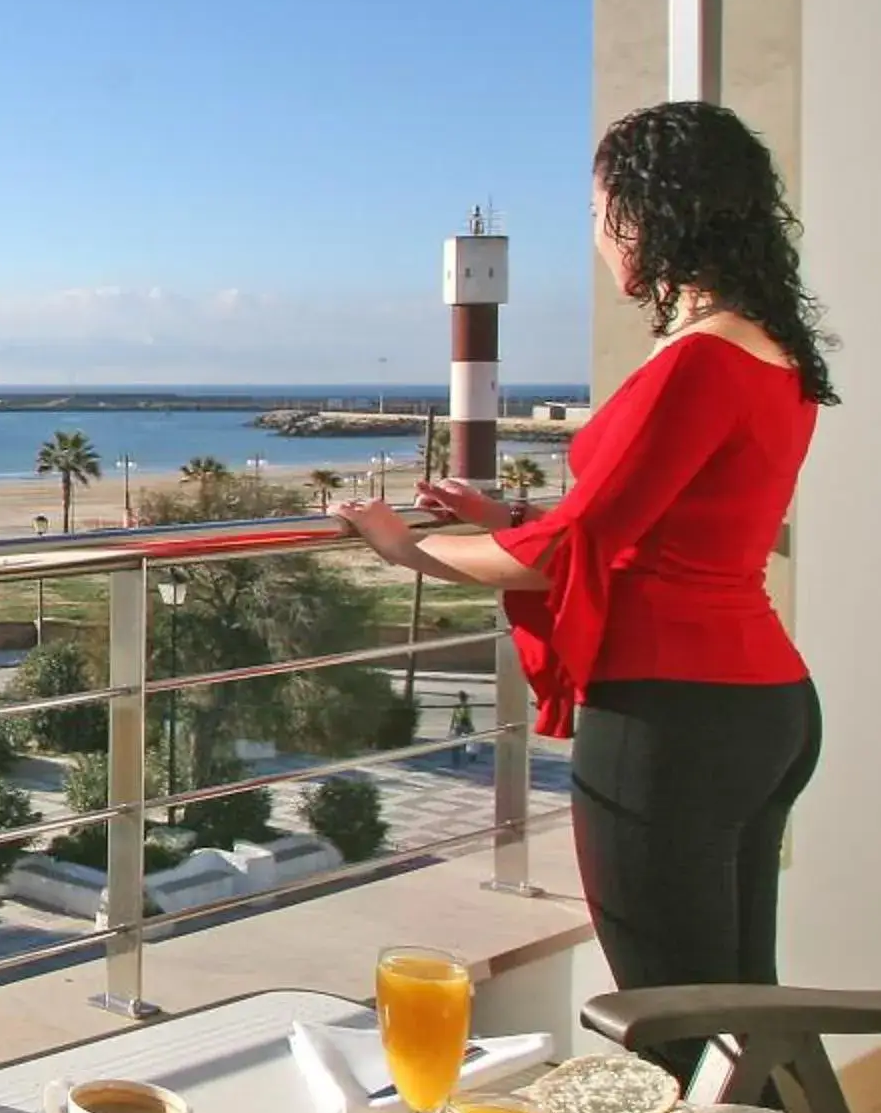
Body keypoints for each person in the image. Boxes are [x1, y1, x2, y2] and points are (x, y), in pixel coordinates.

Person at [338, 101, 832, 1047]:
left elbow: (571, 556)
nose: (601, 238)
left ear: (650, 213)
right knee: (741, 1003)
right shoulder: (771, 355)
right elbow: (661, 526)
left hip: (673, 717)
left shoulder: (696, 363)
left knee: (671, 1015)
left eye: (604, 212)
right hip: (762, 703)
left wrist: (406, 548)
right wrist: (515, 518)